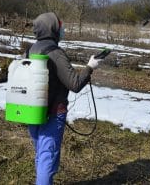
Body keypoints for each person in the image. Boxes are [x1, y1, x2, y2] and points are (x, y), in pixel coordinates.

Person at [28, 12, 100, 185]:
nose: (63, 30)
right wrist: (90, 67)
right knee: (48, 159)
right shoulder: (56, 53)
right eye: (60, 27)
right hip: (53, 114)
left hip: (33, 112)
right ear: (53, 29)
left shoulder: (31, 49)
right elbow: (75, 84)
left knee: (41, 154)